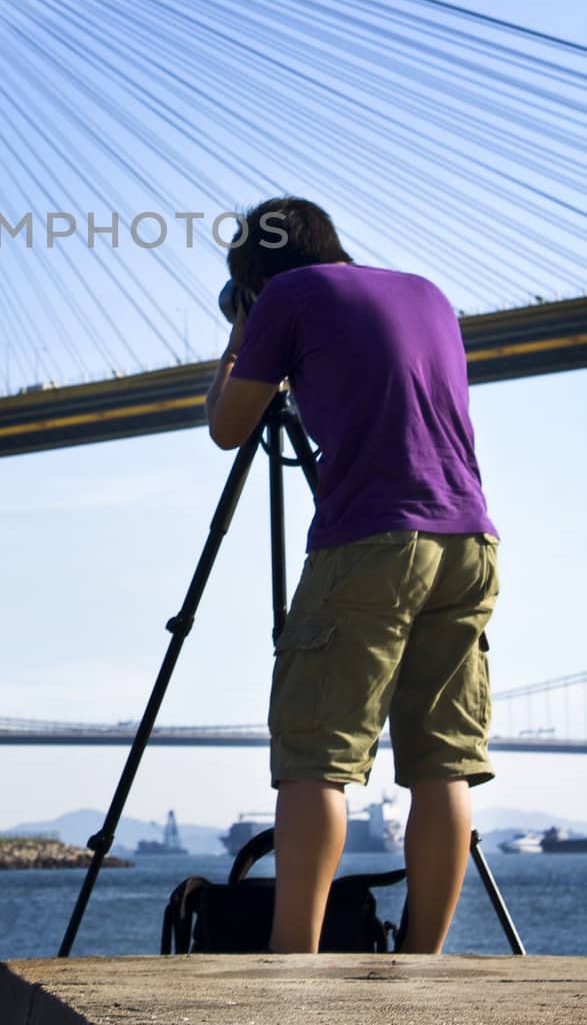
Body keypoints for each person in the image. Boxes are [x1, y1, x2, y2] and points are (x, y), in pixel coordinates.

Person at [205, 197, 499, 955]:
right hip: (467, 538)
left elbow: (227, 425)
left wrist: (243, 331)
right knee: (441, 762)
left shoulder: (285, 297)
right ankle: (422, 961)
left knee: (315, 759)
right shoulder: (427, 291)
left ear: (256, 269)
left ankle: (291, 964)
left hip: (368, 539)